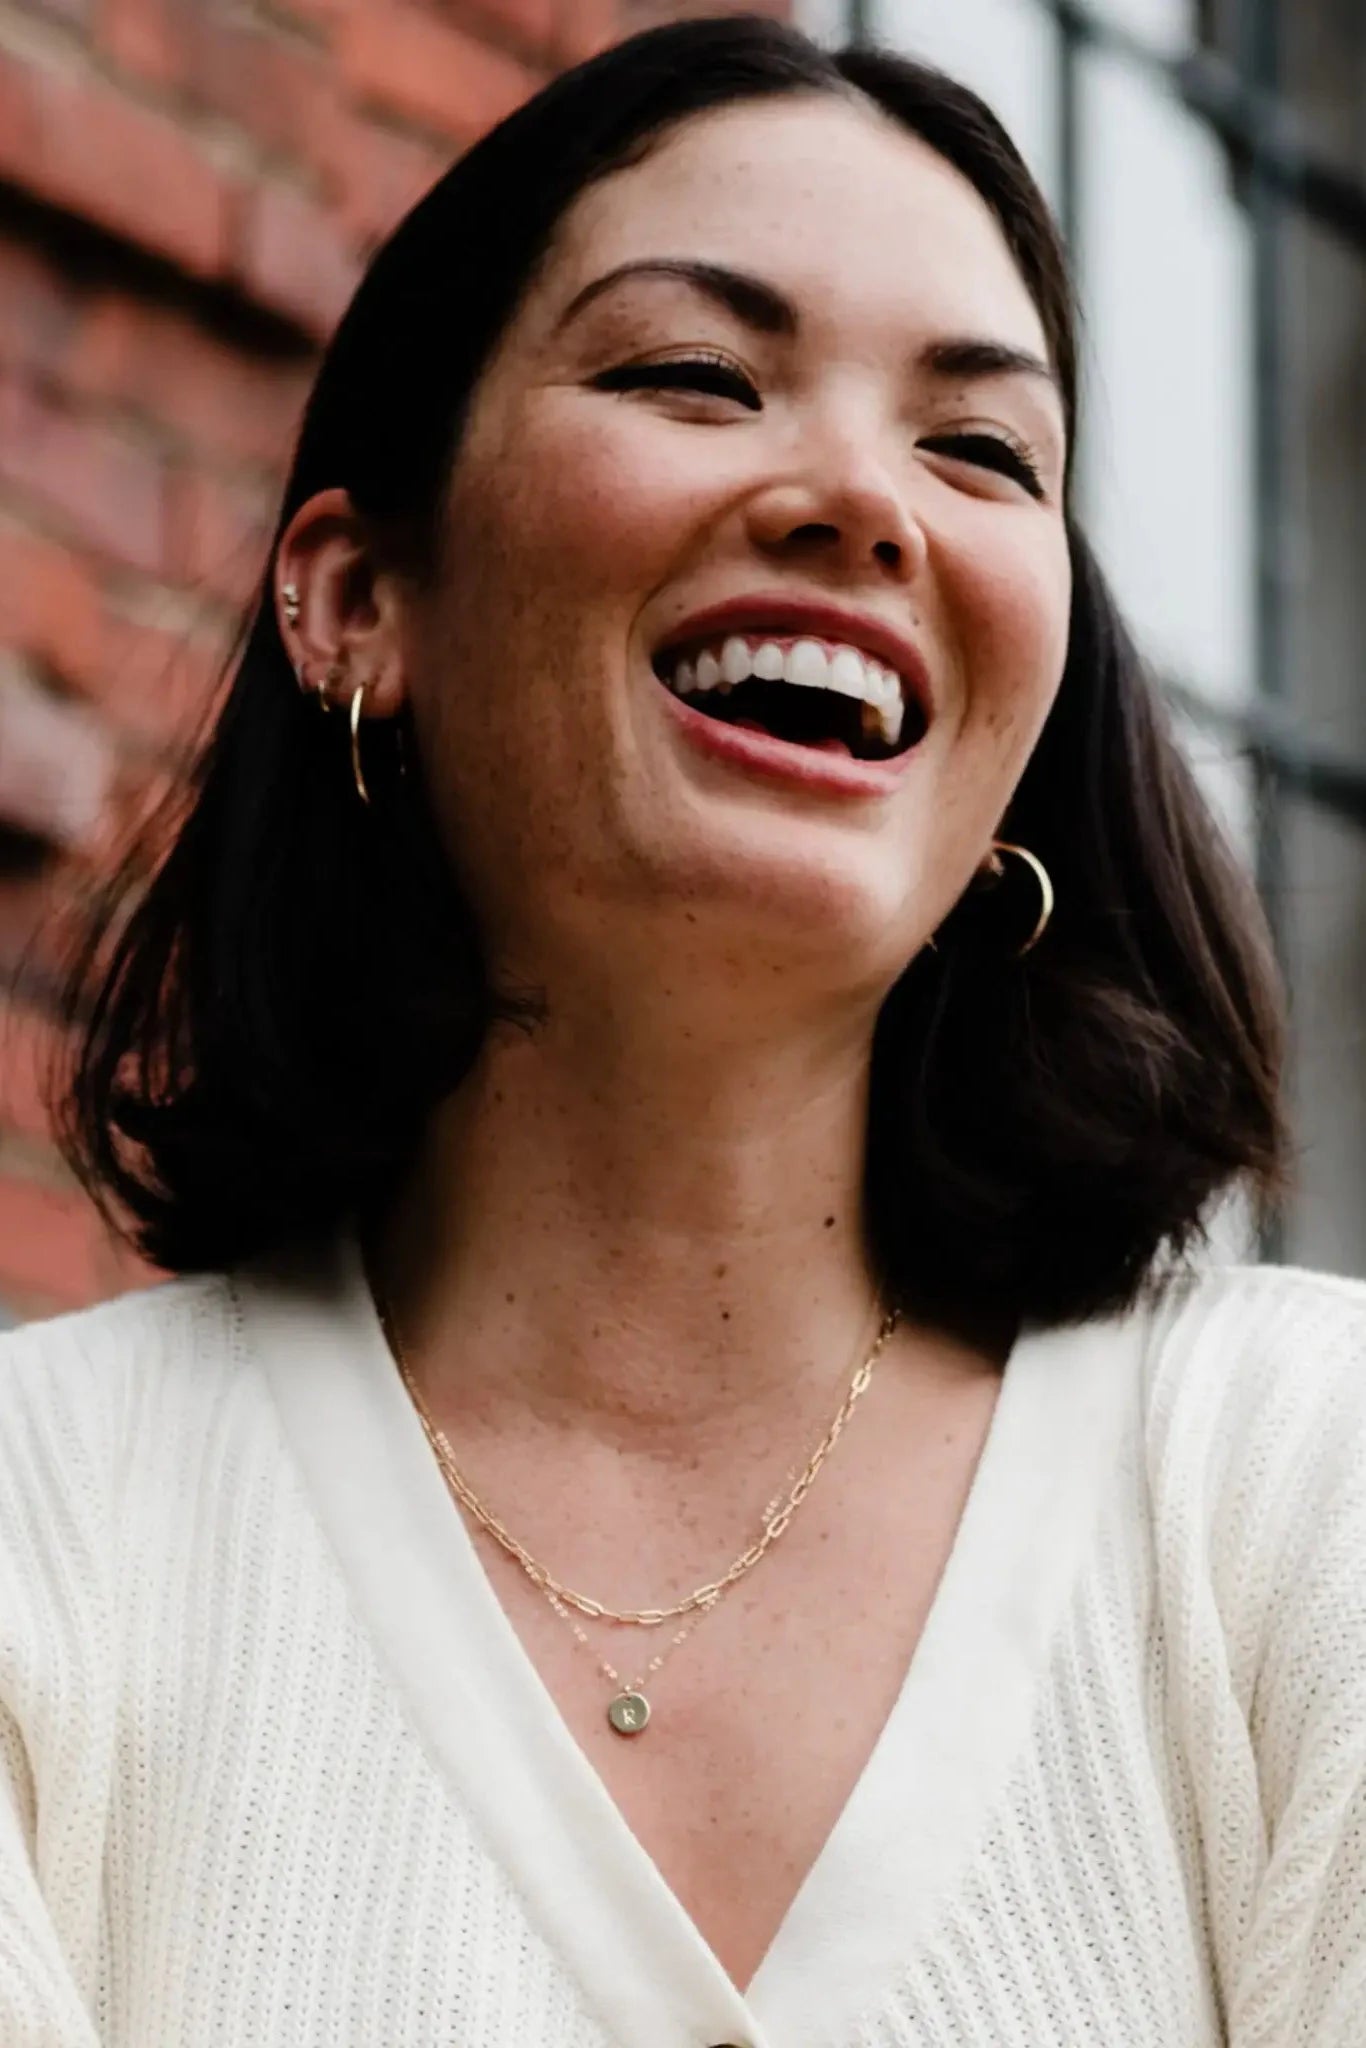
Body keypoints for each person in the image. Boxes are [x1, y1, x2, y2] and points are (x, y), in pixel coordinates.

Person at [2, 15, 1363, 2046]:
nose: (862, 500)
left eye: (981, 450)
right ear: (360, 599)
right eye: (692, 377)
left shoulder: (1304, 1479)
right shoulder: (45, 1526)